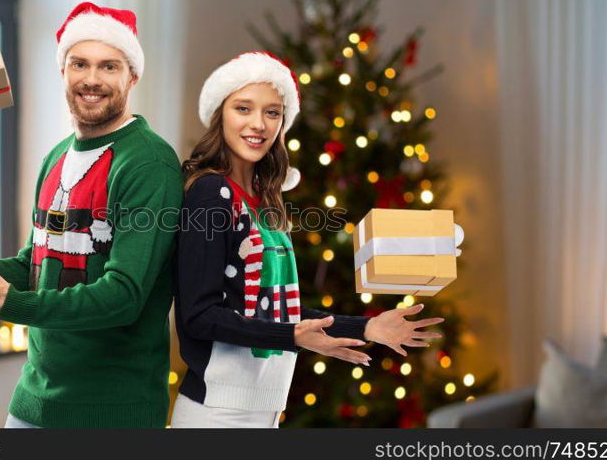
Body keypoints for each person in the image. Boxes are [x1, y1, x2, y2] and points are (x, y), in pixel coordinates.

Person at [0, 2, 183, 428]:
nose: (92, 79)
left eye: (109, 66)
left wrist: (12, 305)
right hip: (33, 401)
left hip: (112, 412)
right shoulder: (57, 157)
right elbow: (33, 266)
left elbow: (124, 296)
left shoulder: (148, 164)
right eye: (79, 63)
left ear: (132, 76)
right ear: (63, 71)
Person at [171, 51, 445, 428]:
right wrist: (293, 336)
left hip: (262, 410)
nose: (259, 124)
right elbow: (199, 317)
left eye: (272, 112)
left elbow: (276, 310)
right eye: (243, 108)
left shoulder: (265, 201)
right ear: (220, 114)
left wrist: (366, 328)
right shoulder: (210, 194)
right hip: (218, 414)